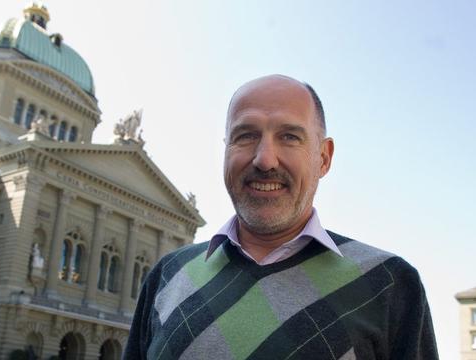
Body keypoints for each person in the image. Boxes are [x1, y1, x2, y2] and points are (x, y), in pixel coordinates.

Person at [124, 75, 438, 359]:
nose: (264, 159)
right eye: (245, 135)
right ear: (226, 150)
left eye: (289, 137)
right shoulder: (167, 275)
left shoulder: (390, 284)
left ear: (324, 158)